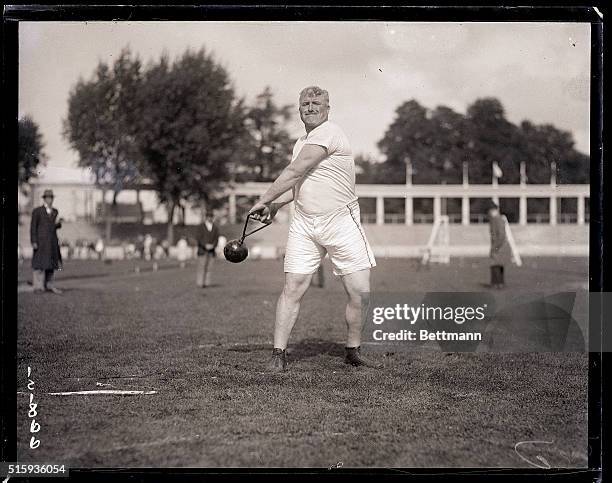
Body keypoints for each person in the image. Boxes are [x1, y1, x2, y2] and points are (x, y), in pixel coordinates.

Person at [249, 86, 381, 372]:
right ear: (299, 110)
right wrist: (274, 206)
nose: (310, 107)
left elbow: (294, 172)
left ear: (327, 108)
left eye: (316, 102)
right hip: (305, 224)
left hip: (341, 221)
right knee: (293, 287)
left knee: (360, 291)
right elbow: (299, 185)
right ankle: (278, 353)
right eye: (305, 103)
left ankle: (353, 350)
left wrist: (263, 199)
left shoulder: (330, 132)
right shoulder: (301, 143)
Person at [30, 189, 63, 294]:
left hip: (52, 242)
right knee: (39, 265)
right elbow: (33, 227)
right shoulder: (37, 211)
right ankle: (38, 287)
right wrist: (34, 241)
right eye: (48, 197)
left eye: (51, 197)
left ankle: (48, 285)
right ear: (44, 199)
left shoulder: (55, 211)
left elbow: (52, 226)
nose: (50, 199)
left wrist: (59, 224)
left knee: (51, 264)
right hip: (41, 242)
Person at [487, 201, 512, 289]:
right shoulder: (499, 219)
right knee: (499, 264)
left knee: (495, 264)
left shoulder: (496, 220)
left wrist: (494, 247)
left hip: (499, 246)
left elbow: (501, 235)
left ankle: (496, 283)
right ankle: (500, 283)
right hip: (502, 246)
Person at [196, 212, 220, 288]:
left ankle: (207, 283)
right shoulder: (201, 227)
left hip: (211, 251)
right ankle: (200, 283)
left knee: (209, 267)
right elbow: (199, 238)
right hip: (202, 250)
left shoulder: (215, 227)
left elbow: (216, 239)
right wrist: (205, 245)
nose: (210, 218)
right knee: (202, 267)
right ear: (206, 217)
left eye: (211, 216)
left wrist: (213, 245)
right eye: (208, 216)